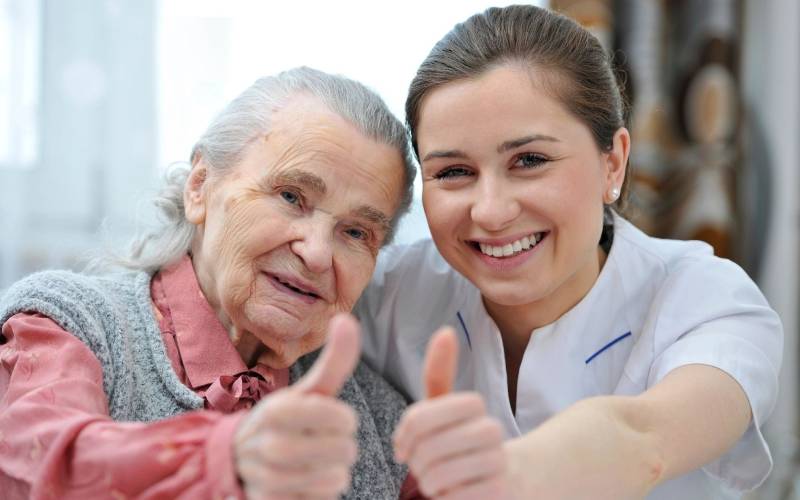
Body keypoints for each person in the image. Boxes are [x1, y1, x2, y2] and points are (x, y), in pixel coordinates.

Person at [357, 6, 783, 500]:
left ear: (614, 164)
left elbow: (643, 438)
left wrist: (496, 478)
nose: (491, 212)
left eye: (530, 161)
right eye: (453, 171)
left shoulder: (705, 299)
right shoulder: (386, 293)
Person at [0, 67, 429, 499]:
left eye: (356, 233)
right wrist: (228, 460)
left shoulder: (381, 419)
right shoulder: (66, 326)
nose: (316, 253)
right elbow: (43, 471)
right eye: (291, 197)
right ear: (200, 187)